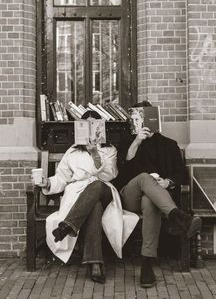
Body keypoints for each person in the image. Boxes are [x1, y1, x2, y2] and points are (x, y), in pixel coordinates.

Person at [36, 110, 139, 283]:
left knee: (96, 185)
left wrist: (95, 154)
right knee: (94, 207)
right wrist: (47, 183)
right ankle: (95, 263)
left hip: (104, 190)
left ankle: (69, 225)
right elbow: (62, 177)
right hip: (80, 196)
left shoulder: (109, 150)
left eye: (95, 125)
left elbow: (109, 175)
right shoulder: (73, 151)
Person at [113, 101, 202, 288]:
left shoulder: (169, 145)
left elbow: (179, 173)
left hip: (155, 199)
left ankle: (147, 264)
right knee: (145, 178)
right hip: (130, 196)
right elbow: (121, 169)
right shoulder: (128, 141)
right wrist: (137, 141)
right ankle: (179, 216)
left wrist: (167, 182)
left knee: (150, 200)